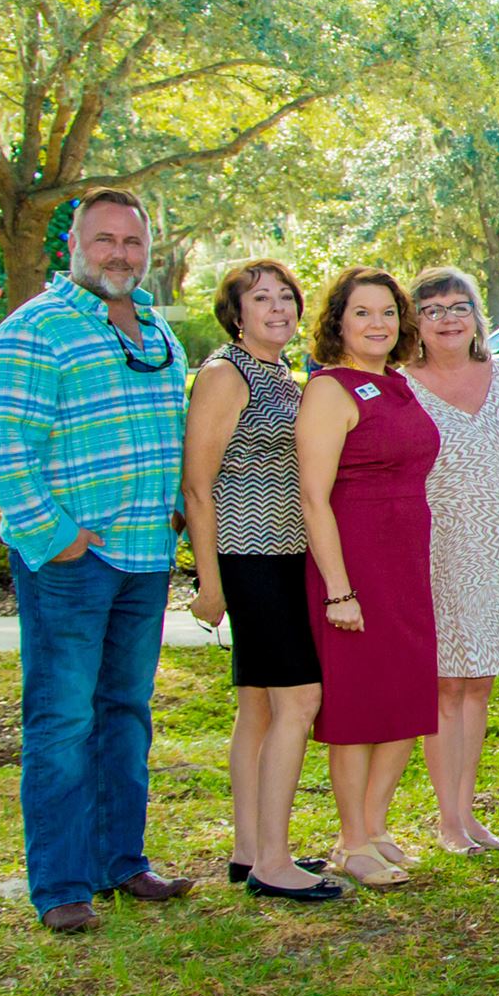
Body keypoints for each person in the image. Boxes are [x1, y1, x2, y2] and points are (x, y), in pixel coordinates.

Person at [0, 188, 196, 933]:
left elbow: (171, 430)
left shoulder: (155, 328)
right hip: (72, 562)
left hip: (145, 555)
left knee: (125, 712)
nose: (120, 254)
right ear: (74, 246)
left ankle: (119, 860)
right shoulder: (35, 328)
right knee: (63, 720)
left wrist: (176, 511)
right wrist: (53, 531)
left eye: (133, 242)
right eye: (105, 240)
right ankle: (63, 883)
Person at [181, 258, 342, 902]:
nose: (277, 308)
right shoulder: (226, 373)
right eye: (261, 299)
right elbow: (197, 486)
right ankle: (275, 863)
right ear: (236, 314)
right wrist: (210, 583)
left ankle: (248, 850)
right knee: (299, 701)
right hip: (249, 558)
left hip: (286, 555)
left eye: (286, 297)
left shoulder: (282, 373)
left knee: (260, 707)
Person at [295, 267, 441, 889]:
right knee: (358, 707)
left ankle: (376, 828)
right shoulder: (330, 390)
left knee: (406, 700)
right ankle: (351, 840)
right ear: (338, 322)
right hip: (354, 566)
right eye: (362, 312)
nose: (377, 324)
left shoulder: (399, 385)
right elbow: (313, 497)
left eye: (387, 312)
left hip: (406, 564)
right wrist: (340, 590)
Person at [401, 267, 499, 854]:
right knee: (445, 684)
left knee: (479, 683)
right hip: (430, 551)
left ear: (478, 317)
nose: (448, 319)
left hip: (494, 555)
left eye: (459, 306)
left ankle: (468, 812)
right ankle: (447, 822)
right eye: (432, 309)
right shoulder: (401, 387)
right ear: (415, 322)